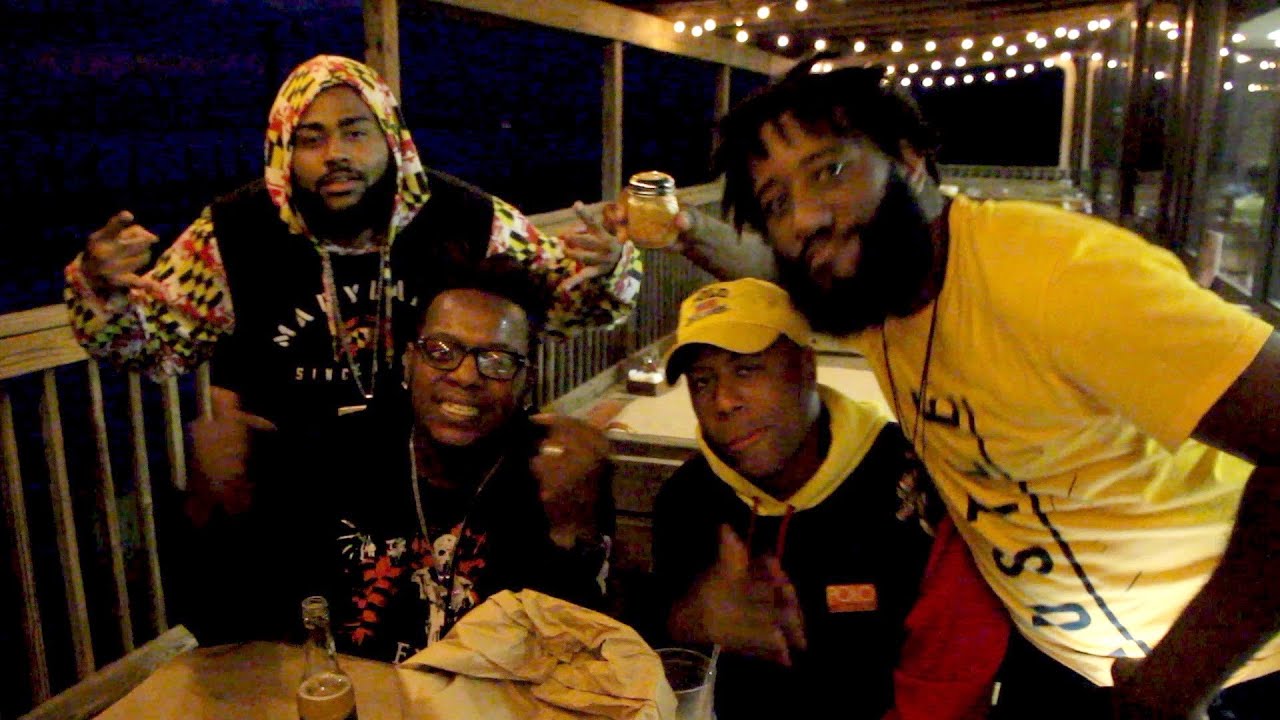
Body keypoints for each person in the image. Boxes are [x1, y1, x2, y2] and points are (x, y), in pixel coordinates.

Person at [653, 61, 1280, 719]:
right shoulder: (883, 296)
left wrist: (1173, 688)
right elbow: (779, 266)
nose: (805, 217)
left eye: (830, 170)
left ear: (909, 158)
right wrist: (684, 231)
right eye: (776, 202)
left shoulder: (1055, 277)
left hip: (1227, 667)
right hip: (1068, 661)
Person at [62, 54, 640, 524]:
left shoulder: (468, 217)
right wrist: (102, 290)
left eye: (355, 133)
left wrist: (609, 267)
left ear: (392, 139)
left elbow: (573, 306)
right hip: (293, 491)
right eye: (310, 139)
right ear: (284, 153)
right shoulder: (233, 230)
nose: (335, 155)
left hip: (446, 483)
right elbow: (152, 346)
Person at [652, 278, 1007, 719]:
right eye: (703, 381)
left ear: (807, 366)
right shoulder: (688, 499)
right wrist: (687, 619)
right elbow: (655, 663)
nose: (723, 401)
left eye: (746, 369)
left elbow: (949, 689)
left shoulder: (915, 489)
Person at [330, 258, 614, 663]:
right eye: (441, 351)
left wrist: (570, 529)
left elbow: (579, 654)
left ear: (526, 381)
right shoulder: (341, 454)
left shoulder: (558, 475)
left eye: (498, 361)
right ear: (410, 361)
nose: (465, 376)